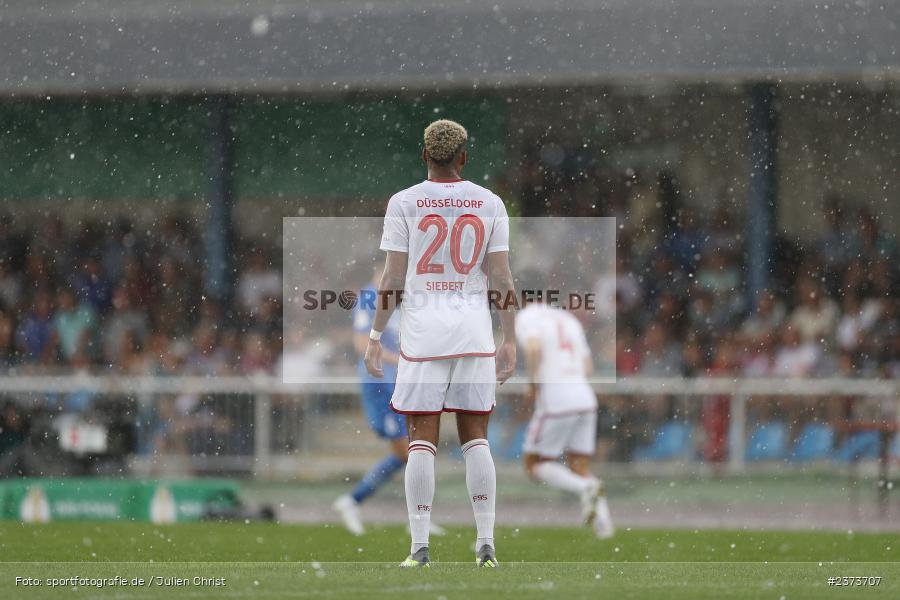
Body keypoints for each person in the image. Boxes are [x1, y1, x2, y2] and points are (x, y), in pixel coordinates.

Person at [364, 120, 516, 568]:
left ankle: (419, 548)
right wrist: (508, 337)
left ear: (423, 154)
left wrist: (375, 336)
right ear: (464, 157)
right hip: (473, 332)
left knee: (420, 441)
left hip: (423, 336)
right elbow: (502, 278)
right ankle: (485, 544)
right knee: (476, 439)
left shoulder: (404, 202)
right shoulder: (489, 202)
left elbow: (392, 278)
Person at [333, 263, 446, 538]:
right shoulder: (370, 298)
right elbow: (362, 346)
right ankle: (411, 515)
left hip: (400, 384)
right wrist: (403, 361)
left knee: (412, 451)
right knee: (411, 452)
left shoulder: (402, 300)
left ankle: (354, 502)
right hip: (381, 385)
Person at [516, 300, 614, 539]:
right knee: (579, 465)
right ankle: (605, 527)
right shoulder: (568, 320)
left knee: (534, 465)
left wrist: (533, 384)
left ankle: (586, 488)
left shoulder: (527, 317)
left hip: (557, 400)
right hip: (584, 397)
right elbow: (588, 366)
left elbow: (533, 349)